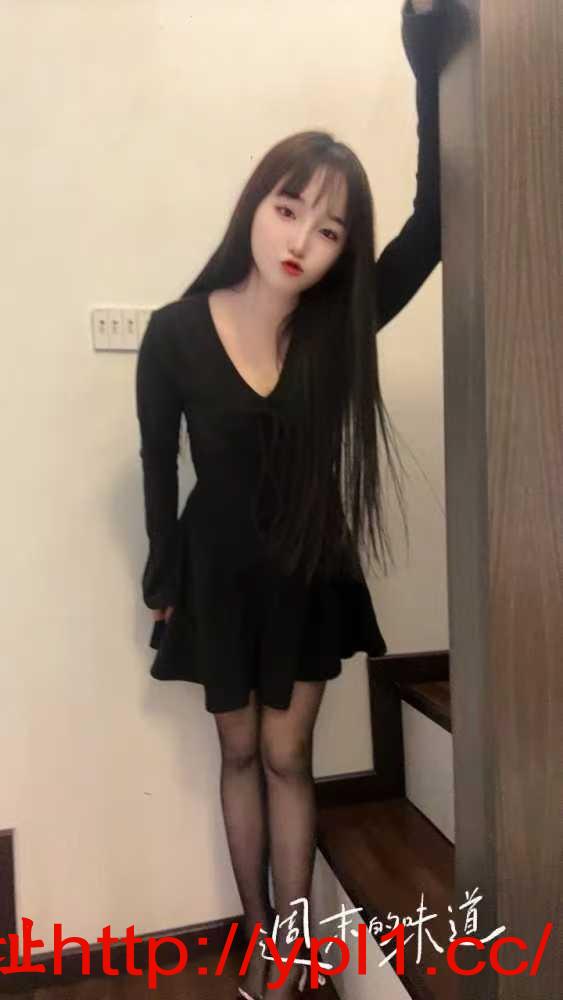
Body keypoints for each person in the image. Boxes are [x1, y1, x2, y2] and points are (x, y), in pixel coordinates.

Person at [135, 1, 448, 995]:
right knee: (237, 752)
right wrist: (161, 577)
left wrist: (423, 64)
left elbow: (433, 223)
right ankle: (259, 937)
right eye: (287, 208)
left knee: (284, 753)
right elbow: (156, 462)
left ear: (340, 249)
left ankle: (294, 950)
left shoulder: (335, 327)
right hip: (218, 575)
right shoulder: (174, 332)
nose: (300, 238)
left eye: (327, 228)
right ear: (254, 205)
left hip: (308, 567)